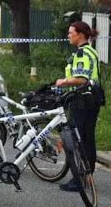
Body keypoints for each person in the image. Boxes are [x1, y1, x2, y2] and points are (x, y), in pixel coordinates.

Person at [56, 21, 104, 192]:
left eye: (71, 32)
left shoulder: (83, 53)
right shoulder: (89, 51)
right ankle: (86, 176)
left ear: (80, 35)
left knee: (79, 140)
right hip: (89, 100)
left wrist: (64, 82)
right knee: (86, 139)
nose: (68, 35)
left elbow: (82, 78)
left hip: (83, 101)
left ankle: (80, 179)